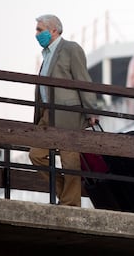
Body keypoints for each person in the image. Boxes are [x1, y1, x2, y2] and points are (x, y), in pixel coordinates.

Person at [29, 14, 98, 207]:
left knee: (70, 161)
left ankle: (70, 203)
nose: (36, 34)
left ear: (53, 30)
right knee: (36, 155)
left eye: (39, 30)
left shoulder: (70, 49)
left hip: (68, 114)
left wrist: (91, 111)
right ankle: (68, 197)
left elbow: (82, 80)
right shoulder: (47, 55)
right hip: (47, 114)